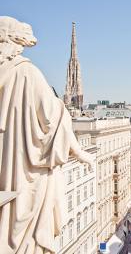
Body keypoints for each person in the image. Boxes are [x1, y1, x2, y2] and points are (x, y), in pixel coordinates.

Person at [0, 16, 93, 254]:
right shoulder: (26, 74)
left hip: (8, 167)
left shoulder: (14, 74)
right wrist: (80, 151)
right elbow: (56, 118)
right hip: (24, 175)